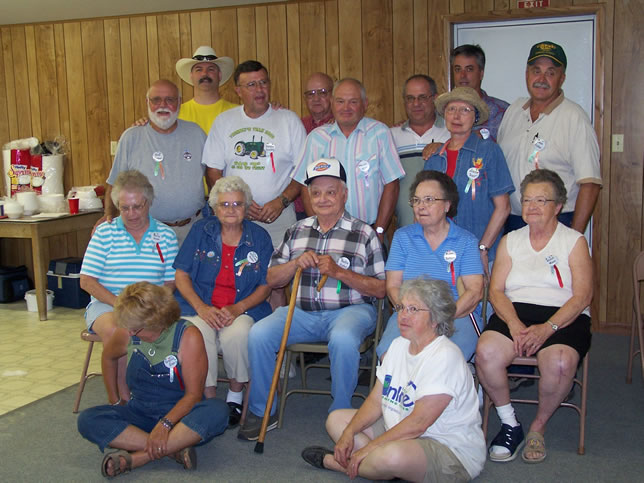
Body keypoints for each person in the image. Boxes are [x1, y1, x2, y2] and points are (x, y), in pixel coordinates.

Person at [237, 158, 386, 441]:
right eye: (316, 193)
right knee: (259, 334)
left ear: (344, 194)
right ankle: (262, 410)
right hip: (302, 313)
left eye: (331, 192)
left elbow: (381, 289)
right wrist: (294, 264)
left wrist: (339, 272)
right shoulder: (297, 231)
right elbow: (271, 279)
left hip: (351, 311)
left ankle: (340, 413)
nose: (323, 199)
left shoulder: (364, 233)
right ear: (308, 196)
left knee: (343, 338)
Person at [301, 278, 485, 481]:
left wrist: (369, 448)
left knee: (390, 457)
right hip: (400, 431)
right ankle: (380, 467)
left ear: (435, 318)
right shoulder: (398, 345)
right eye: (401, 307)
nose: (403, 315)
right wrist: (349, 432)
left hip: (448, 450)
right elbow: (375, 401)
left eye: (413, 309)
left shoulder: (445, 356)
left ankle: (339, 464)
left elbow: (419, 424)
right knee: (337, 420)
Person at [475, 169, 593, 464]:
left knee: (560, 362)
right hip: (515, 310)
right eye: (527, 200)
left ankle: (538, 427)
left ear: (558, 206)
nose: (532, 206)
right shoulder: (510, 240)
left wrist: (547, 328)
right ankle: (510, 423)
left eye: (541, 200)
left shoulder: (574, 241)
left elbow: (582, 297)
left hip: (563, 314)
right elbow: (496, 291)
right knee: (486, 352)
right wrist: (514, 324)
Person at [77, 282, 228, 478]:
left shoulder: (188, 336)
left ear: (156, 322)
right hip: (140, 412)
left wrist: (165, 424)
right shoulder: (128, 332)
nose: (130, 334)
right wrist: (116, 399)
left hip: (180, 417)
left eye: (136, 330)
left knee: (218, 410)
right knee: (87, 420)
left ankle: (139, 457)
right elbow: (108, 357)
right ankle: (173, 449)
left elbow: (193, 395)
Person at [173, 176, 272, 428]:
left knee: (237, 335)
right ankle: (208, 398)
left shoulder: (260, 237)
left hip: (243, 308)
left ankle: (234, 396)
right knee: (196, 334)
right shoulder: (200, 231)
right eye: (224, 204)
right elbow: (181, 274)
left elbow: (266, 285)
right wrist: (201, 307)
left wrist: (239, 308)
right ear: (215, 208)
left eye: (237, 204)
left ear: (246, 207)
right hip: (200, 306)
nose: (230, 210)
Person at [80, 170, 178, 402]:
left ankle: (161, 390)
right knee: (121, 330)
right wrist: (123, 306)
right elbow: (87, 281)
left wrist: (149, 309)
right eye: (124, 208)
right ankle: (122, 397)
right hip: (108, 305)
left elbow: (170, 282)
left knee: (181, 330)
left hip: (150, 307)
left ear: (148, 203)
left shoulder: (166, 235)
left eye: (137, 207)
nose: (131, 214)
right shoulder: (104, 233)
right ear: (117, 206)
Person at [376, 171, 484, 362]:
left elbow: (474, 292)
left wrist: (439, 318)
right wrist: (410, 312)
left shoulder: (466, 241)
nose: (421, 206)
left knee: (444, 360)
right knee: (390, 356)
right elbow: (393, 286)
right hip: (409, 313)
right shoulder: (403, 237)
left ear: (447, 205)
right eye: (416, 201)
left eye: (429, 200)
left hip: (456, 315)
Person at [498, 41, 602, 234]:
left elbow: (590, 184)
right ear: (527, 74)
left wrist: (573, 238)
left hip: (557, 221)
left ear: (562, 78)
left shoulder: (574, 118)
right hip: (513, 221)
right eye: (536, 71)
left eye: (551, 73)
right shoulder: (514, 111)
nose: (541, 79)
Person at [202, 60, 306, 249]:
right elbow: (213, 171)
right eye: (251, 84)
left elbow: (302, 170)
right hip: (235, 218)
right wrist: (238, 204)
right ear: (238, 91)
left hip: (280, 217)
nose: (259, 89)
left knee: (282, 266)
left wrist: (281, 201)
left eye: (263, 82)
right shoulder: (224, 121)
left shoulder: (289, 120)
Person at [293, 78, 405, 241]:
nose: (346, 108)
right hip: (327, 233)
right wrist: (319, 230)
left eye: (353, 102)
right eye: (340, 101)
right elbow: (305, 187)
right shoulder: (316, 138)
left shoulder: (380, 133)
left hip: (370, 232)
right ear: (332, 103)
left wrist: (379, 231)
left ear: (365, 104)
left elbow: (392, 184)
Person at [101, 79, 207, 245]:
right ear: (147, 102)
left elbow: (213, 176)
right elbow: (114, 184)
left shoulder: (196, 133)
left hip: (193, 230)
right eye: (156, 100)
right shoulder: (131, 137)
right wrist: (108, 217)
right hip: (146, 231)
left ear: (179, 102)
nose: (162, 105)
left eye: (170, 100)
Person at [424, 87, 513, 269]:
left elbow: (503, 207)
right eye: (451, 109)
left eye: (465, 110)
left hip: (480, 253)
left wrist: (483, 248)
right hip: (440, 254)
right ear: (444, 115)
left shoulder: (489, 151)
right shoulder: (434, 159)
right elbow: (423, 209)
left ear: (475, 117)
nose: (457, 116)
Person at [391, 75, 450, 227]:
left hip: (445, 227)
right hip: (406, 228)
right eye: (410, 98)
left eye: (422, 97)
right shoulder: (391, 136)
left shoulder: (450, 133)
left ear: (435, 99)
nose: (416, 104)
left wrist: (445, 147)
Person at [296, 72, 336, 220]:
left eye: (322, 92)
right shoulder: (297, 125)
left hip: (331, 207)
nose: (316, 98)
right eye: (311, 94)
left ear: (333, 95)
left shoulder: (342, 127)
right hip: (299, 208)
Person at [451, 44, 509, 141]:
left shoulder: (503, 113)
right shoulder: (445, 112)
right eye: (458, 69)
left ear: (481, 74)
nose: (462, 75)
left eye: (469, 69)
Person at [175, 46, 238, 134]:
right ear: (191, 76)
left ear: (219, 75)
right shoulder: (177, 114)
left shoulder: (237, 113)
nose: (204, 73)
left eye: (211, 69)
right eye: (199, 70)